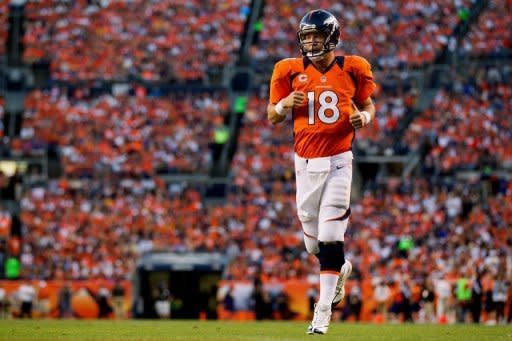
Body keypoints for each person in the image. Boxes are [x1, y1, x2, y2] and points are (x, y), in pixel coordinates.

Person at [267, 9, 376, 334]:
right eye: (307, 37)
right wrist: (285, 104)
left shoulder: (353, 67)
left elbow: (368, 104)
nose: (311, 42)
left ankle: (323, 309)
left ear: (331, 37)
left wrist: (366, 119)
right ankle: (339, 268)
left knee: (331, 236)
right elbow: (273, 115)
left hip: (340, 161)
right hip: (305, 166)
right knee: (314, 246)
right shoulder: (288, 70)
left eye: (317, 36)